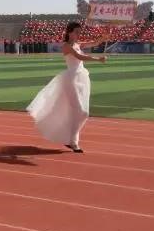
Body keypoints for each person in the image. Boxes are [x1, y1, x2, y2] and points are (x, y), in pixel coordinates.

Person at [26, 21, 107, 153]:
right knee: (81, 111)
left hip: (81, 78)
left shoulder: (77, 44)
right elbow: (79, 56)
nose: (79, 34)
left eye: (79, 32)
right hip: (71, 79)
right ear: (69, 32)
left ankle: (71, 140)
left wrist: (103, 38)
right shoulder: (66, 46)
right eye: (76, 31)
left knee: (81, 113)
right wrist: (98, 59)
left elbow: (94, 43)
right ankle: (73, 142)